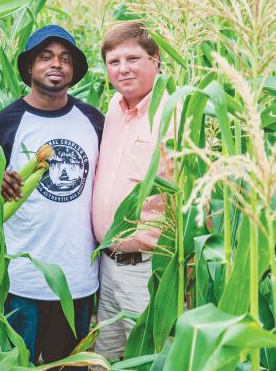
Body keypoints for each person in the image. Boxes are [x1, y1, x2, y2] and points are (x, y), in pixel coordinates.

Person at [0, 24, 104, 366]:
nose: (57, 64)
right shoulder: (2, 124)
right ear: (29, 67)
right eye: (46, 57)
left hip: (78, 280)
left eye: (65, 58)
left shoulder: (93, 121)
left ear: (74, 70)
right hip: (21, 281)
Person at [91, 21, 174, 360]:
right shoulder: (113, 108)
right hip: (107, 266)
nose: (122, 69)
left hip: (148, 271)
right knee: (105, 359)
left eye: (133, 59)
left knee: (149, 360)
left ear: (155, 59)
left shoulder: (175, 112)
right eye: (114, 62)